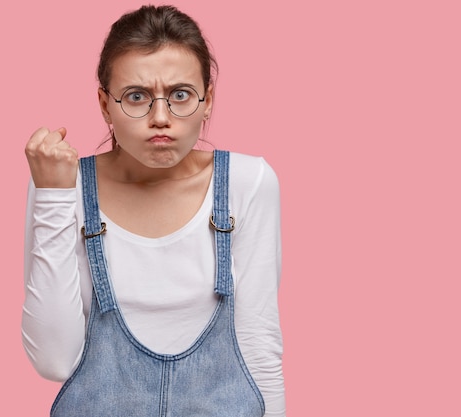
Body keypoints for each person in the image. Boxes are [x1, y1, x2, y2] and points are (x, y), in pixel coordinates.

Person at [22, 5, 285, 416]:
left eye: (180, 95)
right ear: (105, 105)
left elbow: (259, 345)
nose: (160, 119)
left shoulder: (247, 183)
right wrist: (53, 196)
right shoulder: (64, 184)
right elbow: (54, 361)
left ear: (207, 100)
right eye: (137, 97)